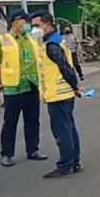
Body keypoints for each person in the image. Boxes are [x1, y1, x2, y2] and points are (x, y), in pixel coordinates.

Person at [0, 9, 47, 167]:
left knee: (32, 120)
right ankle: (7, 154)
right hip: (13, 88)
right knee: (10, 122)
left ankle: (33, 149)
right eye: (25, 21)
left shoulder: (32, 38)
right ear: (16, 21)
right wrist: (0, 80)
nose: (28, 24)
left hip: (31, 85)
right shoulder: (2, 40)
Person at [31, 12, 84, 178]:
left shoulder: (51, 45)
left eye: (37, 26)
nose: (34, 29)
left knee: (62, 131)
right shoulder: (55, 41)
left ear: (48, 25)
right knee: (69, 129)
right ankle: (74, 162)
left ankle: (66, 164)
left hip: (58, 94)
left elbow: (65, 67)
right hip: (62, 93)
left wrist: (76, 86)